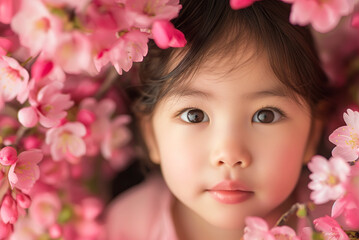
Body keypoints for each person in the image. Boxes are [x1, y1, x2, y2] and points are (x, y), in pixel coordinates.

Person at [106, 0, 330, 239]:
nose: (230, 155)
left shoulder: (337, 225)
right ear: (150, 134)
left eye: (266, 116)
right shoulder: (131, 225)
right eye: (195, 116)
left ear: (312, 134)